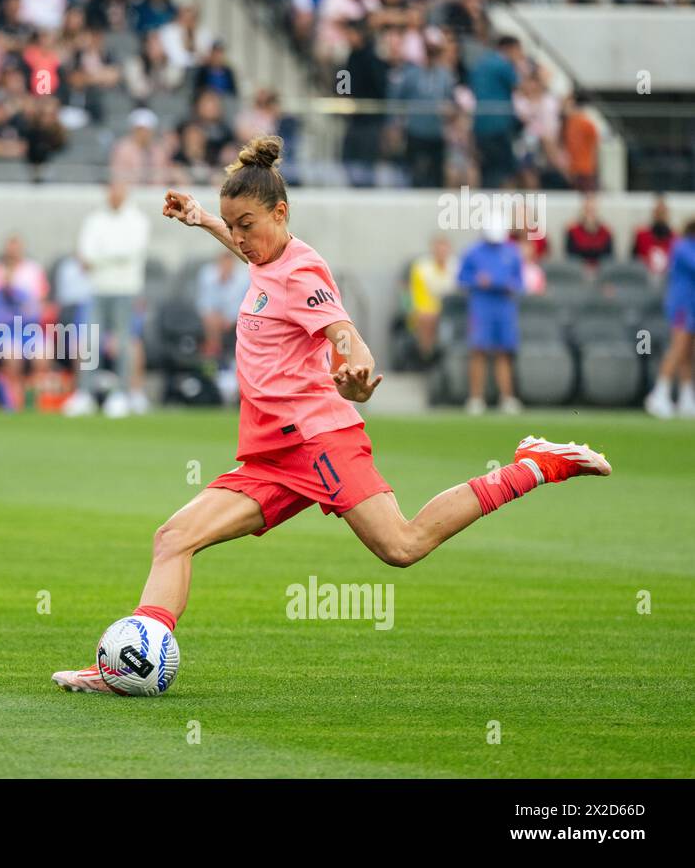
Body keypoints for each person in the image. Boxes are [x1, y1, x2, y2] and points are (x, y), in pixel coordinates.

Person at [52, 136, 611, 694]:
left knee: (403, 545)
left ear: (281, 212)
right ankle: (125, 669)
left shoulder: (302, 271)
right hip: (271, 455)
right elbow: (253, 260)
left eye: (247, 224)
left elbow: (345, 334)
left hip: (320, 440)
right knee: (173, 537)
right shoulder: (264, 259)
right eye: (233, 225)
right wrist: (203, 220)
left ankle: (537, 465)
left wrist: (358, 377)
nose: (241, 238)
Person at [66, 182, 150, 417]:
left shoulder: (137, 220)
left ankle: (122, 394)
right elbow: (85, 253)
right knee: (90, 341)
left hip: (126, 288)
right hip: (97, 289)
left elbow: (131, 251)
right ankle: (85, 393)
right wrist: (106, 258)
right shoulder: (94, 220)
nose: (114, 194)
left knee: (124, 343)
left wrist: (100, 258)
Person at [458, 215, 524, 415]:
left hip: (504, 306)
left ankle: (507, 397)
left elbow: (519, 281)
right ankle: (476, 398)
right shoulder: (473, 252)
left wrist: (506, 284)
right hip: (481, 306)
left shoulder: (512, 252)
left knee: (504, 352)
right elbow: (462, 278)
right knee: (478, 350)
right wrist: (477, 280)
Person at [644, 219, 695, 419]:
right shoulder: (681, 247)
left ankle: (686, 397)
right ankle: (658, 394)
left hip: (692, 305)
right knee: (678, 348)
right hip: (682, 305)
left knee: (688, 353)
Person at [407, 235, 457, 363]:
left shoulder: (456, 266)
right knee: (426, 318)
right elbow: (418, 297)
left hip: (453, 310)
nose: (441, 252)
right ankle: (427, 357)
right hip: (428, 309)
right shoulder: (422, 268)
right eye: (438, 248)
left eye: (444, 248)